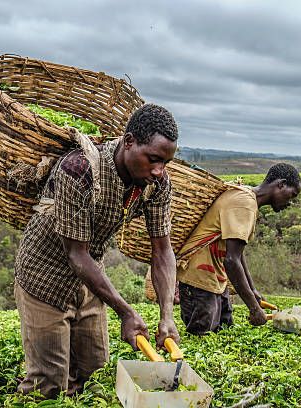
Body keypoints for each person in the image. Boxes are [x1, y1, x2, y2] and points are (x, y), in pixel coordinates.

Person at [13, 103, 180, 398]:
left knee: (95, 378)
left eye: (165, 162)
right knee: (47, 385)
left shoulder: (157, 183)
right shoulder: (79, 169)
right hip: (44, 276)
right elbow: (76, 253)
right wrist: (126, 312)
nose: (159, 170)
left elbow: (162, 250)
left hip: (90, 281)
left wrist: (166, 315)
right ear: (129, 142)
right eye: (153, 159)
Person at [176, 163, 301, 335]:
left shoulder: (247, 199)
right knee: (201, 337)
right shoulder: (244, 203)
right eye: (292, 194)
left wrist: (253, 292)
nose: (290, 202)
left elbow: (237, 254)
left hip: (215, 278)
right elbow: (231, 260)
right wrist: (253, 308)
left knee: (224, 331)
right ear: (280, 184)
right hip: (199, 277)